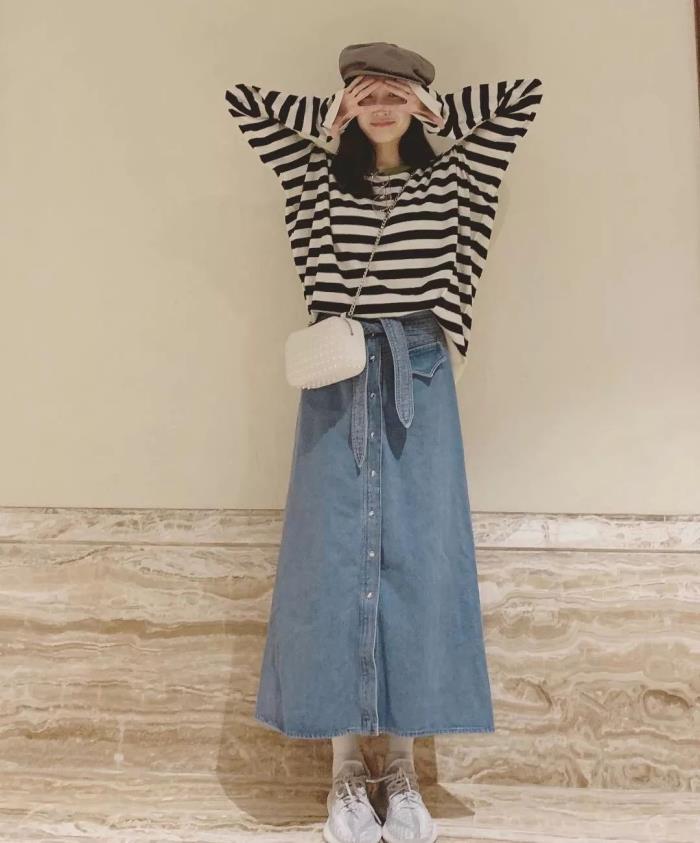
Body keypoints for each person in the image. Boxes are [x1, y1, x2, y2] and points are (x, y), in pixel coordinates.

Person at [225, 41, 544, 843]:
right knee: (330, 565)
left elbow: (523, 98)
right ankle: (343, 772)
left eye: (394, 91)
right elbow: (243, 103)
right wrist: (327, 116)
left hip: (420, 377)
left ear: (421, 102)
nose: (379, 103)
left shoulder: (460, 177)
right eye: (363, 91)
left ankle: (400, 768)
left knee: (418, 561)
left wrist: (435, 110)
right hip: (337, 377)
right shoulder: (315, 176)